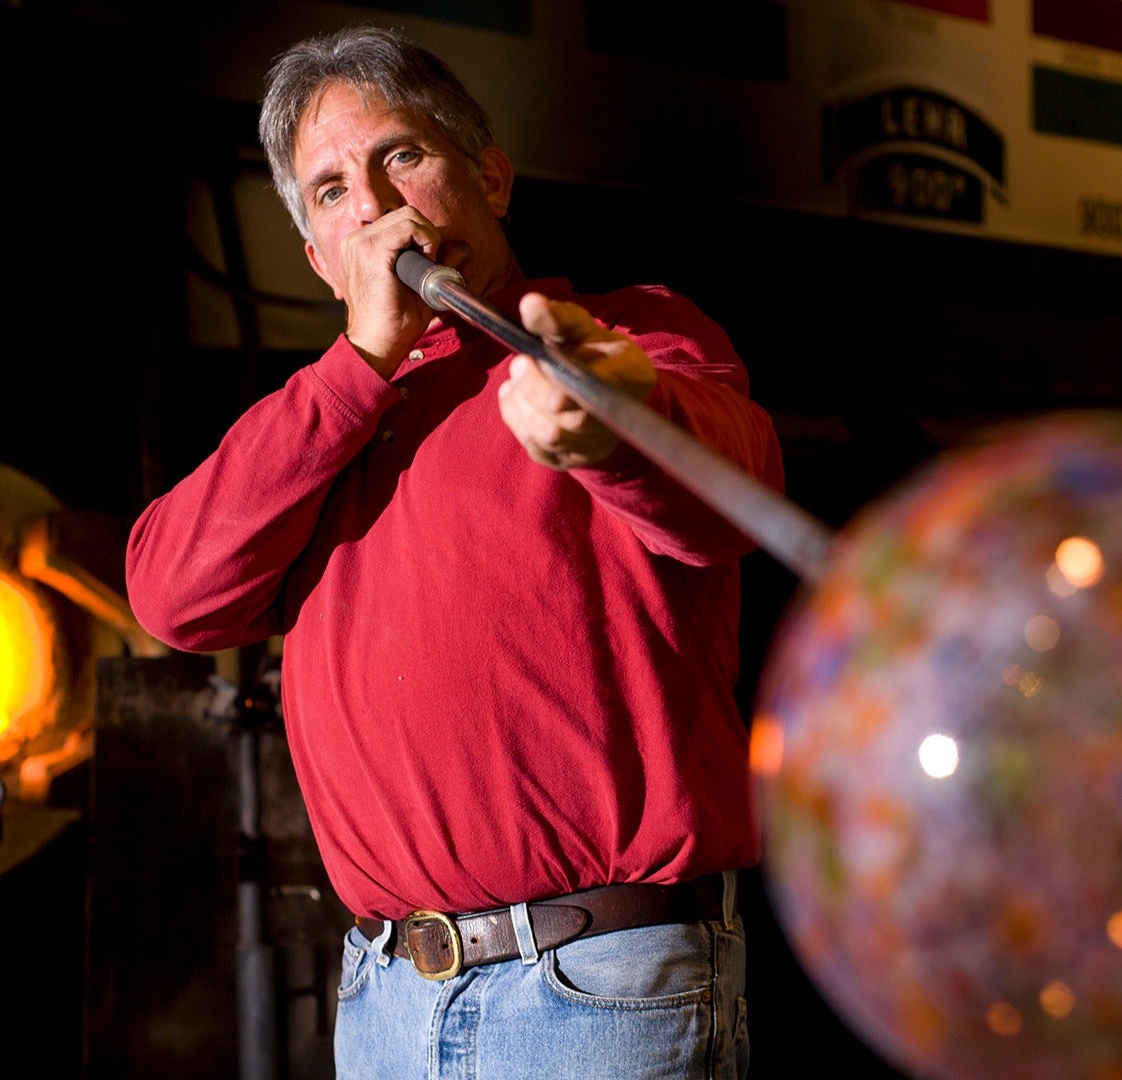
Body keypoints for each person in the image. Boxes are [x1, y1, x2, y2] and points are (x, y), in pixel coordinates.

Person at [125, 22, 784, 1080]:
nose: (376, 205)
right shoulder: (320, 423)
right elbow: (170, 596)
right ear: (319, 259)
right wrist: (359, 367)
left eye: (403, 157)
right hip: (386, 995)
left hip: (595, 992)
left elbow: (727, 492)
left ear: (489, 176)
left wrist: (604, 425)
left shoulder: (624, 336)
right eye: (332, 190)